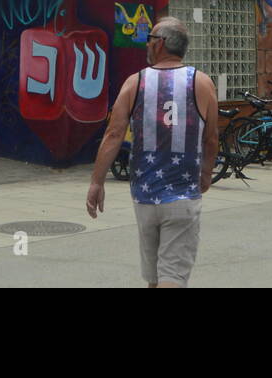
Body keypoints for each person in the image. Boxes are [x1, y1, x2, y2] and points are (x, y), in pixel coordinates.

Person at [87, 16, 218, 288]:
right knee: (172, 277)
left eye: (149, 39)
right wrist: (206, 174)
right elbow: (211, 138)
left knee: (155, 279)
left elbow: (113, 134)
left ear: (160, 44)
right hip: (183, 196)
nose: (146, 45)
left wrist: (97, 181)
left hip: (144, 197)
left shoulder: (135, 83)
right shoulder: (202, 83)